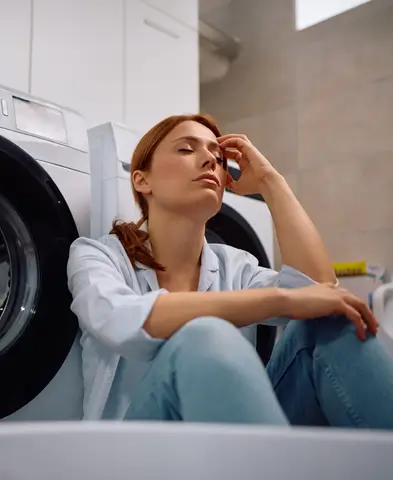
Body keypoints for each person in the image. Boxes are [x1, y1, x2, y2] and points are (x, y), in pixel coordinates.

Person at [67, 114, 393, 428]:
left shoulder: (234, 266)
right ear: (142, 179)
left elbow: (321, 293)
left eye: (218, 158)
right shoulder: (97, 255)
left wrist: (270, 181)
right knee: (205, 333)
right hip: (138, 453)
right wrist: (281, 300)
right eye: (186, 148)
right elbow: (120, 322)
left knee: (334, 318)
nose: (211, 161)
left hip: (235, 440)